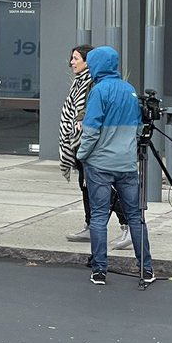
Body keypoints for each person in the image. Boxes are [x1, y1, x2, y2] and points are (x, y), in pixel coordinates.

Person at [75, 46, 154, 286]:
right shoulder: (129, 90)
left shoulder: (98, 91)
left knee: (99, 217)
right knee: (135, 217)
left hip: (100, 163)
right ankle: (147, 269)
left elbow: (90, 130)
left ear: (98, 65)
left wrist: (82, 154)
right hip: (127, 164)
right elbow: (140, 127)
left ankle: (100, 270)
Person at [58, 45, 131, 249]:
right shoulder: (80, 82)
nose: (72, 62)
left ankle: (127, 227)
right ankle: (91, 226)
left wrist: (81, 126)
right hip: (82, 140)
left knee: (107, 187)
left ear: (88, 61)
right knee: (86, 185)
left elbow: (92, 111)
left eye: (75, 58)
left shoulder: (94, 83)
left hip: (95, 144)